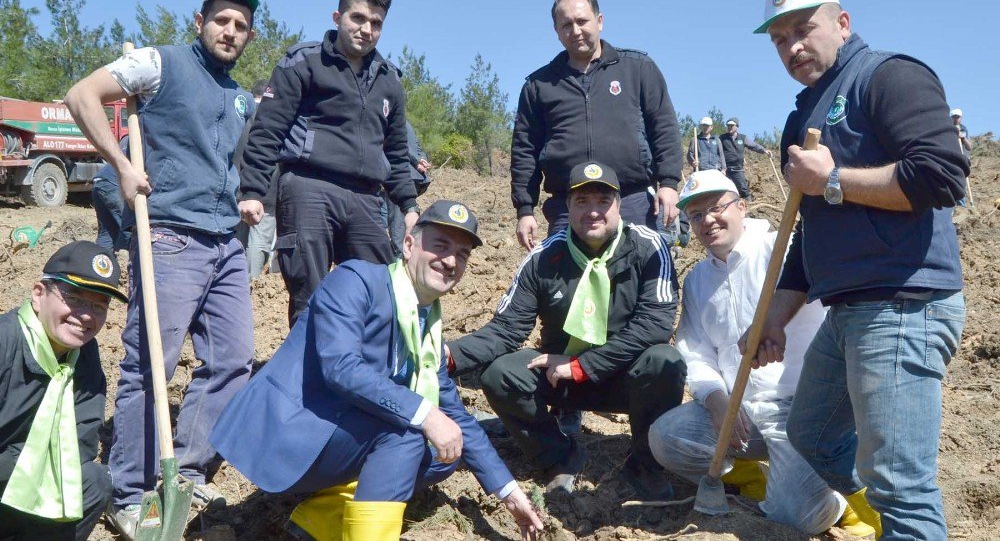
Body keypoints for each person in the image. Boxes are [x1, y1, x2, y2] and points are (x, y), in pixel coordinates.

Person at [753, 0, 968, 539]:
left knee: (901, 481)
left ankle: (906, 512)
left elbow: (942, 176)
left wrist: (834, 180)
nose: (792, 46)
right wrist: (776, 315)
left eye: (804, 28)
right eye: (779, 38)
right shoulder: (802, 120)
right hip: (846, 310)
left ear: (842, 23)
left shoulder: (889, 76)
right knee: (815, 436)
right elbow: (811, 232)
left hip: (903, 303)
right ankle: (897, 512)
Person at [210, 200, 543, 541]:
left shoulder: (427, 323)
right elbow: (341, 367)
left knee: (446, 453)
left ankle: (317, 521)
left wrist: (509, 493)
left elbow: (456, 415)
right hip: (286, 434)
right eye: (440, 246)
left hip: (340, 431)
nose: (450, 261)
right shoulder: (356, 280)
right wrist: (425, 414)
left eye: (461, 254)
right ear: (409, 245)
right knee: (409, 432)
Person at [64, 0, 260, 537]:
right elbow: (82, 96)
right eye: (222, 19)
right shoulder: (160, 64)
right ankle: (129, 489)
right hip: (170, 234)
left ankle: (187, 472)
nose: (230, 31)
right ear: (200, 22)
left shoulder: (238, 95)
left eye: (241, 25)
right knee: (151, 362)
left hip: (225, 243)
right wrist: (122, 166)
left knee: (233, 360)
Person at [647, 170, 874, 537]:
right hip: (742, 410)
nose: (707, 220)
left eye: (716, 208)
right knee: (666, 438)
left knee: (796, 518)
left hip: (803, 410)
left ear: (742, 206)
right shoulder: (698, 281)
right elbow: (695, 351)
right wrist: (717, 399)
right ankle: (757, 480)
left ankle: (836, 496)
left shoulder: (783, 249)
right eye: (695, 215)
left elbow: (832, 285)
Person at [446, 162, 686, 501]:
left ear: (618, 205)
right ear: (567, 207)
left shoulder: (648, 247)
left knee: (664, 361)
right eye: (582, 201)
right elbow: (506, 328)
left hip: (624, 378)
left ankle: (645, 465)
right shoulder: (544, 256)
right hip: (562, 381)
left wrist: (583, 365)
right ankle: (558, 456)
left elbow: (655, 325)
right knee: (502, 374)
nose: (593, 211)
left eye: (603, 200)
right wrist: (449, 355)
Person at [238, 0, 418, 326]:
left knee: (380, 289)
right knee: (310, 292)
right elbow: (268, 129)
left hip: (366, 197)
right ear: (337, 16)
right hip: (309, 187)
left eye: (376, 23)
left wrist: (409, 207)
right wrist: (253, 191)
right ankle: (307, 377)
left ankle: (363, 374)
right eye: (358, 18)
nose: (367, 30)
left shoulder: (389, 80)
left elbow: (396, 152)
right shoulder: (303, 62)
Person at [510, 0, 684, 251]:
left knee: (641, 282)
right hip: (569, 207)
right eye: (566, 25)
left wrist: (669, 184)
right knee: (568, 287)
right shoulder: (539, 85)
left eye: (582, 21)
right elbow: (525, 150)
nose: (576, 30)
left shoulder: (637, 69)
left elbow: (664, 127)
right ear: (556, 31)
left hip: (633, 201)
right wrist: (525, 209)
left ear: (599, 21)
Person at [0, 240, 127, 541]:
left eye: (99, 306)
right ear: (38, 294)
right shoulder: (6, 341)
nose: (85, 315)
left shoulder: (84, 355)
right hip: (9, 476)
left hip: (19, 486)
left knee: (94, 483)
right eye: (74, 298)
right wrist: (25, 461)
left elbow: (82, 441)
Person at [233, 79, 275, 279]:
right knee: (259, 241)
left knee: (237, 239)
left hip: (236, 187)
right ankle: (253, 284)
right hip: (267, 189)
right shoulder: (275, 116)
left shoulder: (239, 115)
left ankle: (233, 280)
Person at [382, 121, 432, 256]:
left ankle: (400, 264)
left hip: (400, 178)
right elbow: (418, 148)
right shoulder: (407, 124)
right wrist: (422, 159)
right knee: (387, 220)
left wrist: (416, 161)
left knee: (397, 228)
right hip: (411, 178)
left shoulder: (390, 121)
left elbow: (399, 148)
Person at [91, 138, 132, 252]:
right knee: (128, 227)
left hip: (99, 181)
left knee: (106, 232)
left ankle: (100, 266)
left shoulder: (126, 140)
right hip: (113, 183)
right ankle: (126, 261)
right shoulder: (141, 140)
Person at [719, 116, 771, 200]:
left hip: (738, 169)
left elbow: (753, 146)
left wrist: (764, 150)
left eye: (732, 125)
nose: (729, 127)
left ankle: (749, 207)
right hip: (725, 169)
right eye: (728, 125)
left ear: (737, 126)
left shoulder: (742, 138)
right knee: (725, 191)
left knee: (743, 189)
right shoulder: (722, 138)